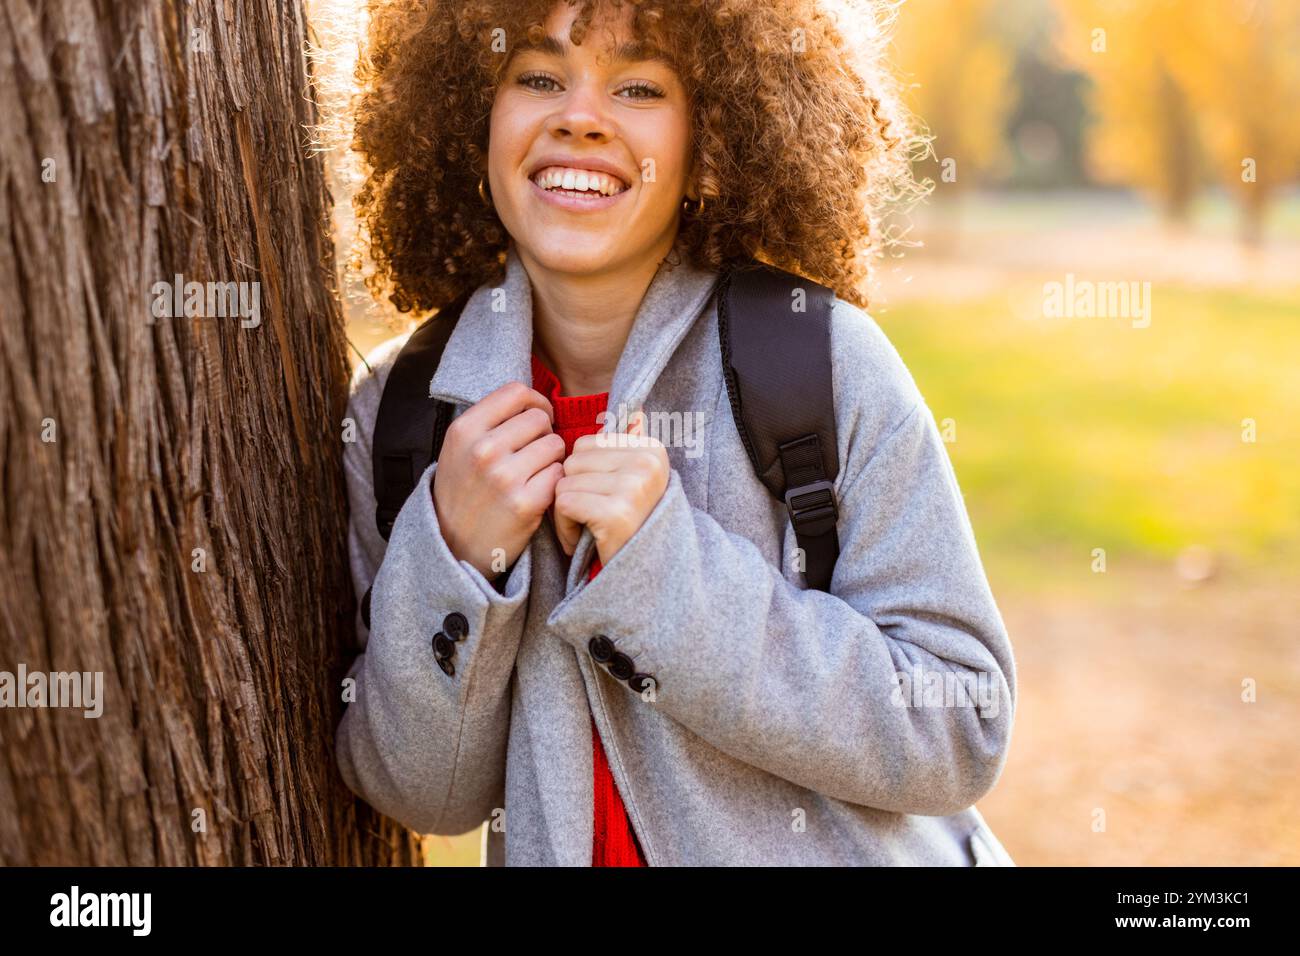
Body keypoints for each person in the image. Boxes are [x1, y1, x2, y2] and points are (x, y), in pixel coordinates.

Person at [335, 0, 1017, 866]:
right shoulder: (403, 412)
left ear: (713, 144)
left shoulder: (818, 360)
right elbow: (422, 796)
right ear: (473, 117)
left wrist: (668, 577)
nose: (579, 117)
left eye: (639, 86)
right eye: (539, 78)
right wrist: (456, 560)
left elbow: (963, 724)